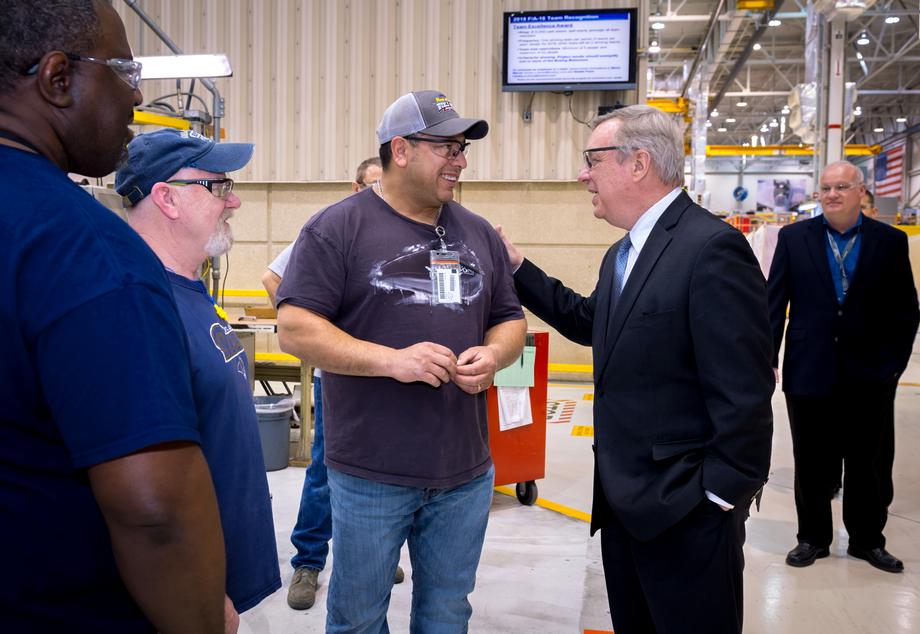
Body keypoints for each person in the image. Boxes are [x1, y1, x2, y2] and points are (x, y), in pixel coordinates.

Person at [497, 105, 774, 634]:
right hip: (625, 506)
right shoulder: (624, 253)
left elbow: (746, 389)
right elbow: (587, 320)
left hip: (687, 510)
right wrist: (516, 267)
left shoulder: (711, 248)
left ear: (639, 163)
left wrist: (718, 496)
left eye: (592, 160)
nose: (583, 175)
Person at [0, 1, 229, 632]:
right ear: (57, 79)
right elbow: (155, 511)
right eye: (124, 69)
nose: (136, 94)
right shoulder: (88, 253)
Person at [276, 90, 526, 632]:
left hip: (464, 472)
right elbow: (294, 328)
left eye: (462, 149)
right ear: (401, 150)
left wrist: (496, 353)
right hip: (371, 472)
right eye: (446, 147)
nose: (459, 160)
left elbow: (511, 318)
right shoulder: (337, 228)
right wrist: (391, 361)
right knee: (359, 618)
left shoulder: (477, 232)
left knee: (446, 613)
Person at [115, 129, 282, 616]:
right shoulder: (140, 307)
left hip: (216, 569)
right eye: (218, 187)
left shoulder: (189, 291)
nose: (232, 202)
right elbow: (143, 486)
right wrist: (194, 594)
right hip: (191, 591)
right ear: (166, 197)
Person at [262, 156, 405, 611]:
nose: (379, 194)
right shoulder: (331, 230)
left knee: (384, 472)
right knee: (326, 470)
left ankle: (373, 553)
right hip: (341, 380)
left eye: (386, 186)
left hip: (392, 376)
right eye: (371, 186)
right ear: (354, 186)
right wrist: (313, 328)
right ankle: (308, 560)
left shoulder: (405, 231)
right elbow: (274, 277)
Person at [767, 160, 919, 573]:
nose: (832, 194)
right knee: (813, 463)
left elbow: (905, 312)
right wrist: (767, 358)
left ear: (861, 192)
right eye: (826, 188)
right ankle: (812, 538)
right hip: (809, 370)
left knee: (869, 464)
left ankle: (868, 541)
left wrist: (892, 368)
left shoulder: (890, 241)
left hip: (870, 375)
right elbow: (773, 302)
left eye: (842, 187)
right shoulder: (794, 237)